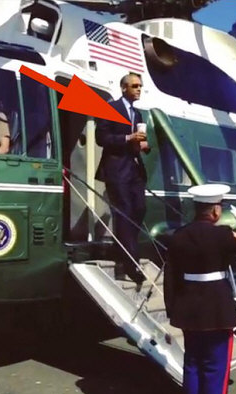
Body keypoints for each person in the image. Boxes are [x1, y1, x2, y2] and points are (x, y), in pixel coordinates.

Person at [164, 184, 236, 394]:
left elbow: (170, 275)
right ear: (216, 211)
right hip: (217, 309)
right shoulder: (223, 234)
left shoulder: (178, 235)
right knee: (215, 367)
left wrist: (172, 308)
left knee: (192, 363)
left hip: (188, 307)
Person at [95, 73, 150, 285]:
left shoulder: (137, 114)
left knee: (140, 209)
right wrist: (128, 138)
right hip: (117, 170)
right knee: (125, 210)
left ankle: (124, 251)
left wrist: (143, 145)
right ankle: (130, 262)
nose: (139, 89)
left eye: (140, 86)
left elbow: (137, 142)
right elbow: (102, 138)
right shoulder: (111, 109)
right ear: (124, 88)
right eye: (135, 86)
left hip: (134, 169)